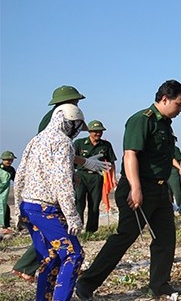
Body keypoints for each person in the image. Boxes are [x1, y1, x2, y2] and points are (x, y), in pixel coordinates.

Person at [76, 80, 181, 301]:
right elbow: (130, 155)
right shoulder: (141, 120)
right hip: (139, 187)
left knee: (166, 238)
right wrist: (135, 188)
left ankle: (159, 285)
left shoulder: (165, 123)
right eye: (178, 104)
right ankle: (86, 283)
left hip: (160, 189)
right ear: (164, 99)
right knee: (125, 237)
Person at [12, 86, 109, 283]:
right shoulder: (59, 119)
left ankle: (33, 280)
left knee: (51, 238)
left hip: (34, 195)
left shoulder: (53, 117)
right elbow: (54, 153)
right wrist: (74, 170)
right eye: (76, 101)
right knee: (63, 239)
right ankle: (32, 273)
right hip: (46, 193)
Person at [14, 104, 86, 301]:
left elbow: (20, 176)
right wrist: (72, 216)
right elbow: (62, 182)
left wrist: (19, 209)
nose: (75, 131)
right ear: (68, 123)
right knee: (73, 253)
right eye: (76, 126)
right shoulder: (63, 143)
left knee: (51, 257)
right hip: (46, 208)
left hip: (29, 207)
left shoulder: (35, 140)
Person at [74, 120, 117, 233]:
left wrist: (113, 178)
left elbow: (111, 162)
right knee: (79, 203)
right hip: (81, 176)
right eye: (95, 132)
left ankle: (91, 231)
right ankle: (78, 229)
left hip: (96, 177)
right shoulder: (79, 143)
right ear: (89, 131)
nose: (98, 134)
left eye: (100, 131)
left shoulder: (106, 145)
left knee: (94, 204)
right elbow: (71, 161)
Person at [1, 151, 17, 231]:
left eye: (11, 160)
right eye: (7, 160)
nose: (9, 162)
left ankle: (6, 226)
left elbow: (16, 180)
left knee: (6, 209)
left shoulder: (11, 170)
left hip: (4, 193)